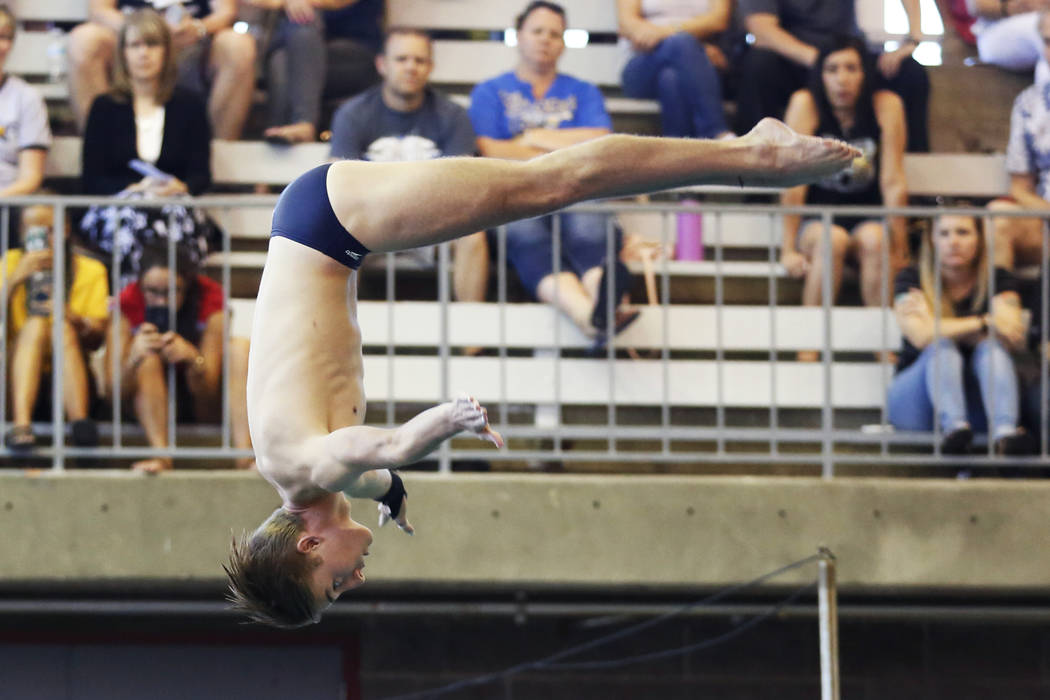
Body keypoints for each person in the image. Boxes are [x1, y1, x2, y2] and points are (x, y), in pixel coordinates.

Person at [221, 115, 859, 628]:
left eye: (335, 585)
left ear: (308, 545)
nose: (355, 579)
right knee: (544, 187)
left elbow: (383, 447)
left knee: (552, 184)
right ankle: (747, 155)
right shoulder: (311, 482)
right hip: (324, 226)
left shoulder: (308, 468)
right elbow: (374, 473)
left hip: (331, 222)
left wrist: (449, 421)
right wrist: (392, 495)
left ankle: (755, 155)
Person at [469, 2, 631, 344]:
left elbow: (601, 141)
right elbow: (491, 149)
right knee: (527, 238)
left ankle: (599, 303)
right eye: (537, 31)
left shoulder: (583, 91)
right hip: (514, 196)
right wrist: (566, 149)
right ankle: (590, 315)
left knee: (590, 230)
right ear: (519, 37)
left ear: (563, 44)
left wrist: (533, 137)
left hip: (578, 193)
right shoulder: (490, 91)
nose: (545, 39)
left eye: (555, 34)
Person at [328, 27, 488, 303]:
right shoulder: (353, 114)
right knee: (336, 230)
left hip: (434, 221)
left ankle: (472, 342)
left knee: (472, 235)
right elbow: (339, 181)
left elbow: (462, 186)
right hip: (370, 220)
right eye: (401, 59)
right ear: (382, 64)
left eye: (419, 60)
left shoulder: (453, 115)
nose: (411, 67)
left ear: (430, 67)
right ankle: (334, 338)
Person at [78, 9, 216, 288]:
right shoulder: (105, 107)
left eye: (152, 44)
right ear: (123, 53)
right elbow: (92, 178)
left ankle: (175, 311)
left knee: (174, 220)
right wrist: (135, 189)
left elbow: (201, 174)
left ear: (167, 51)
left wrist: (179, 186)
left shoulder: (189, 105)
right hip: (118, 205)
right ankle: (136, 308)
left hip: (171, 204)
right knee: (133, 220)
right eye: (135, 45)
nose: (144, 54)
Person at [779, 36, 909, 329]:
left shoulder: (886, 105)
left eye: (851, 68)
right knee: (831, 240)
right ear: (820, 75)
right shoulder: (806, 104)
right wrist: (788, 249)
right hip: (817, 219)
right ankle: (809, 352)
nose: (842, 79)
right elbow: (793, 181)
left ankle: (883, 351)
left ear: (865, 73)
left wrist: (900, 249)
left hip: (868, 217)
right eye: (832, 69)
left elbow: (892, 180)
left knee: (876, 240)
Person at [888, 213, 1030, 455]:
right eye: (944, 234)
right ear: (932, 240)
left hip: (979, 403)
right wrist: (985, 322)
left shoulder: (999, 278)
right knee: (941, 348)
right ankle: (955, 430)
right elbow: (921, 336)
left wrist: (938, 325)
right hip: (916, 403)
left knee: (992, 348)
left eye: (963, 232)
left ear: (979, 239)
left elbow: (1012, 333)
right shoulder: (911, 278)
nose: (953, 241)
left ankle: (1005, 434)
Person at [111, 244, 252, 473]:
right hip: (143, 403)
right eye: (152, 291)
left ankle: (245, 457)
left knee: (239, 347)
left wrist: (193, 360)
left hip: (199, 401)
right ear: (140, 286)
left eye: (170, 292)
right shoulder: (127, 300)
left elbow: (209, 388)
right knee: (148, 359)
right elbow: (112, 391)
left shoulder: (210, 297)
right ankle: (161, 456)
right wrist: (133, 358)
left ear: (186, 286)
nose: (160, 301)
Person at [736, 0, 931, 152]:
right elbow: (761, 27)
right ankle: (756, 182)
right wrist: (820, 62)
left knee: (910, 72)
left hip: (847, 52)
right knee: (757, 64)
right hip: (794, 59)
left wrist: (912, 40)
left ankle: (921, 183)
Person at [67, 0, 255, 139]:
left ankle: (215, 158)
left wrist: (198, 28)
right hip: (131, 42)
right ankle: (99, 151)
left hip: (192, 45)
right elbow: (99, 10)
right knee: (84, 40)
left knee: (239, 46)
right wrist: (144, 31)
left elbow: (226, 12)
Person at [3, 205, 109, 450]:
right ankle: (21, 425)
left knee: (61, 327)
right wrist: (15, 280)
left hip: (73, 373)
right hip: (15, 376)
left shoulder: (90, 270)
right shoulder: (9, 262)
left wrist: (73, 318)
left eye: (50, 230)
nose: (44, 238)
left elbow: (97, 337)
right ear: (21, 232)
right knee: (36, 324)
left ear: (66, 230)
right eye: (34, 230)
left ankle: (80, 424)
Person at [616, 0, 734, 139]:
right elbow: (627, 22)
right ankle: (715, 131)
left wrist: (668, 34)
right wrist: (691, 45)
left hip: (699, 66)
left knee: (670, 78)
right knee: (681, 44)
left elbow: (718, 19)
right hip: (643, 64)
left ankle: (679, 153)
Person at [989, 11, 1050, 270]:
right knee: (998, 216)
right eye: (1047, 40)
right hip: (1045, 218)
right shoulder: (1029, 103)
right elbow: (1020, 188)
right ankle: (1005, 304)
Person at [0, 5, 49, 197]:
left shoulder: (26, 97)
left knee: (39, 213)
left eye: (5, 37)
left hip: (8, 202)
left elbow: (30, 179)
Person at [968, 0, 1050, 80]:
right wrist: (1016, 6)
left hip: (1039, 16)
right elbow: (976, 6)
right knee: (1045, 24)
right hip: (995, 29)